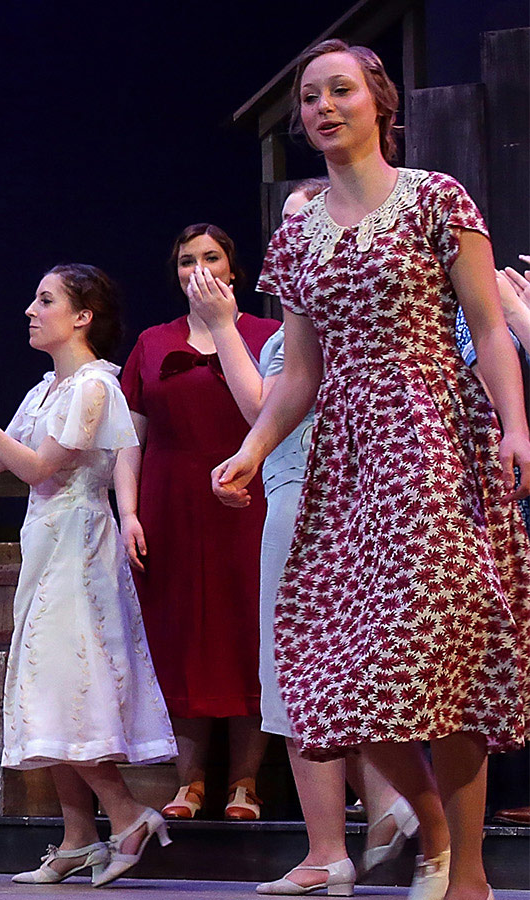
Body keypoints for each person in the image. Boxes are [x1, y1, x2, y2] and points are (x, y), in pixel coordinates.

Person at [213, 39, 530, 900]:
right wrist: (249, 449)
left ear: (378, 102)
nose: (322, 107)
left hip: (435, 442)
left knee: (445, 657)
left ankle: (466, 873)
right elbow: (301, 378)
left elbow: (491, 328)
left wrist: (516, 424)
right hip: (347, 460)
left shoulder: (436, 198)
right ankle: (427, 823)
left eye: (340, 90)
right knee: (342, 667)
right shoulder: (299, 239)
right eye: (309, 96)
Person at [0, 264, 176, 887]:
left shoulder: (94, 387)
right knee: (47, 690)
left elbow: (39, 469)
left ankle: (129, 816)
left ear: (82, 316)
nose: (31, 309)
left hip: (79, 547)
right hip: (46, 544)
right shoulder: (46, 390)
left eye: (46, 300)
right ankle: (79, 836)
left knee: (67, 685)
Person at [117, 221, 279, 821]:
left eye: (211, 258)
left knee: (246, 632)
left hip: (246, 500)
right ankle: (189, 783)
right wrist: (128, 512)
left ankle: (244, 782)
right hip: (171, 502)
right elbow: (129, 438)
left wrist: (222, 328)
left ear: (233, 270)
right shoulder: (153, 343)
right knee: (180, 634)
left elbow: (265, 414)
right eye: (187, 260)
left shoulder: (267, 335)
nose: (199, 269)